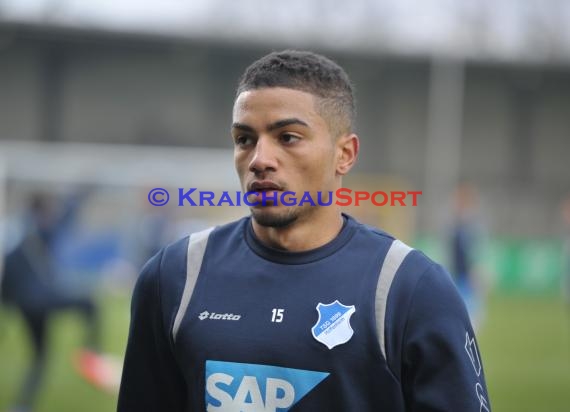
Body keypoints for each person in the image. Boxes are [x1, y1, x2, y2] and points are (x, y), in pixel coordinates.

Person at [118, 50, 491, 411]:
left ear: (344, 154)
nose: (260, 160)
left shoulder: (409, 289)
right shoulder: (175, 277)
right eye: (244, 139)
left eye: (288, 137)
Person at [1, 191, 116, 412]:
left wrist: (6, 314)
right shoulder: (37, 230)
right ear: (44, 211)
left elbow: (6, 284)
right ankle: (91, 352)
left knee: (40, 356)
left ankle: (21, 405)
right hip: (43, 300)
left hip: (25, 307)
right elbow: (65, 218)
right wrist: (81, 194)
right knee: (90, 304)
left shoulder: (15, 234)